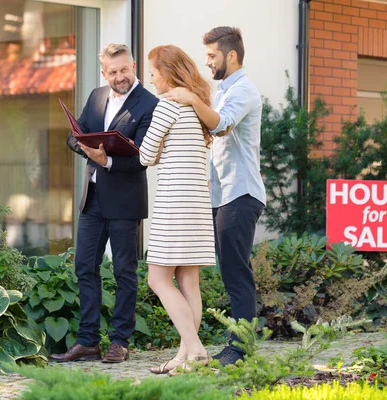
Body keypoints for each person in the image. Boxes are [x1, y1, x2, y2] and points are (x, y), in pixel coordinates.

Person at [49, 44, 158, 364]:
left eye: (125, 70)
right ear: (104, 73)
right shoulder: (96, 96)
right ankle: (87, 341)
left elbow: (142, 158)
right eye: (113, 72)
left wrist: (107, 159)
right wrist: (88, 149)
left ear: (134, 66)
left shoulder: (148, 104)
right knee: (85, 267)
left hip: (125, 200)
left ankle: (120, 342)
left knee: (125, 271)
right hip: (92, 198)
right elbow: (74, 135)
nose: (120, 77)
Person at [165, 26, 266, 366]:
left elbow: (221, 124)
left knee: (237, 272)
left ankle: (241, 349)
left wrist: (192, 99)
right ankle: (236, 344)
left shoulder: (244, 91)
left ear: (231, 55)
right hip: (223, 194)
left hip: (242, 192)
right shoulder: (223, 90)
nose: (206, 61)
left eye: (212, 55)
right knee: (230, 271)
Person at [139, 45, 215, 374]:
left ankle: (195, 350)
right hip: (197, 201)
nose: (151, 78)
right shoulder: (196, 108)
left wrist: (152, 152)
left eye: (154, 72)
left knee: (158, 278)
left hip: (174, 201)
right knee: (189, 281)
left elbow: (145, 156)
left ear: (167, 74)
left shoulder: (166, 105)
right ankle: (184, 358)